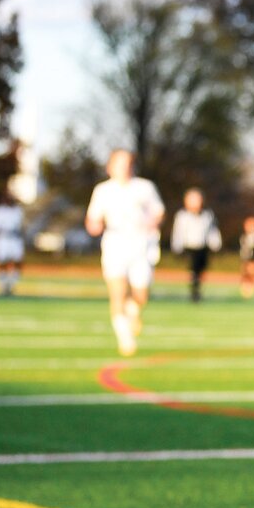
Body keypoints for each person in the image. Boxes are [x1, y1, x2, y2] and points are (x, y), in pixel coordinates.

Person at [85, 149, 164, 356]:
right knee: (117, 293)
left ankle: (133, 309)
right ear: (110, 167)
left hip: (140, 244)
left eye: (127, 163)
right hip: (115, 243)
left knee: (141, 295)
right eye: (119, 163)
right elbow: (93, 218)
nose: (124, 167)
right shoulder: (102, 190)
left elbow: (158, 211)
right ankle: (125, 338)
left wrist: (152, 221)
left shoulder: (145, 187)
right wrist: (94, 225)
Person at [170, 188, 223, 302]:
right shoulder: (182, 216)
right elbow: (177, 232)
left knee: (201, 270)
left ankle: (197, 288)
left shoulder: (207, 215)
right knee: (193, 271)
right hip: (189, 247)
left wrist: (215, 243)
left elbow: (212, 231)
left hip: (202, 247)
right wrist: (177, 246)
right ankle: (194, 291)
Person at [0, 192, 24, 297]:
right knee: (2, 262)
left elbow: (21, 225)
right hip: (3, 238)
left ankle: (12, 284)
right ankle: (3, 285)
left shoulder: (18, 211)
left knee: (18, 261)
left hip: (15, 238)